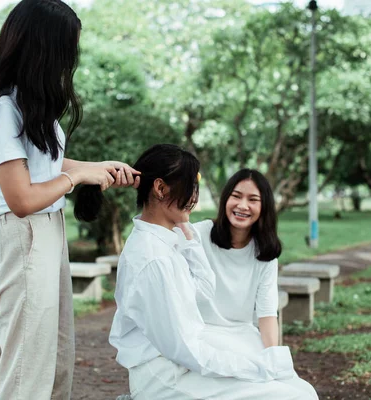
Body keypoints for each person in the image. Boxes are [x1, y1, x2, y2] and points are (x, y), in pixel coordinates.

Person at [0, 1, 138, 399]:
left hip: (47, 232)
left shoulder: (28, 103)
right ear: (42, 48)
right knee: (30, 369)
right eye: (65, 50)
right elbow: (22, 197)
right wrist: (75, 176)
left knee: (56, 359)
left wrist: (97, 167)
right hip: (22, 234)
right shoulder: (2, 108)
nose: (69, 62)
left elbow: (42, 166)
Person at [109, 144, 317, 399]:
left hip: (183, 363)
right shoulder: (154, 258)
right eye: (190, 187)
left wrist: (188, 238)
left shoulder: (167, 243)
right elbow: (185, 349)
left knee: (301, 389)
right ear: (161, 188)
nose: (194, 198)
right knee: (294, 397)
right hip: (165, 377)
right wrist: (255, 368)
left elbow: (204, 290)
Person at [193, 169, 283, 349]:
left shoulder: (265, 253)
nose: (242, 206)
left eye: (253, 200)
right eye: (236, 196)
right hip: (198, 335)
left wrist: (274, 356)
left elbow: (267, 315)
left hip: (242, 337)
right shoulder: (198, 236)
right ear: (225, 199)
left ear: (264, 206)